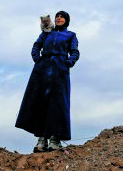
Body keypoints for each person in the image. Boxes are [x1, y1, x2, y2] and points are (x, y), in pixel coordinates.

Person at [15, 11, 80, 152]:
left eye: (62, 17)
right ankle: (42, 139)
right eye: (57, 16)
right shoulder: (46, 34)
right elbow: (36, 46)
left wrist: (69, 62)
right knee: (40, 102)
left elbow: (75, 51)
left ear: (66, 20)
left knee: (58, 104)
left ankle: (55, 139)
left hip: (60, 71)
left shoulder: (70, 35)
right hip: (42, 71)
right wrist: (37, 59)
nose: (59, 18)